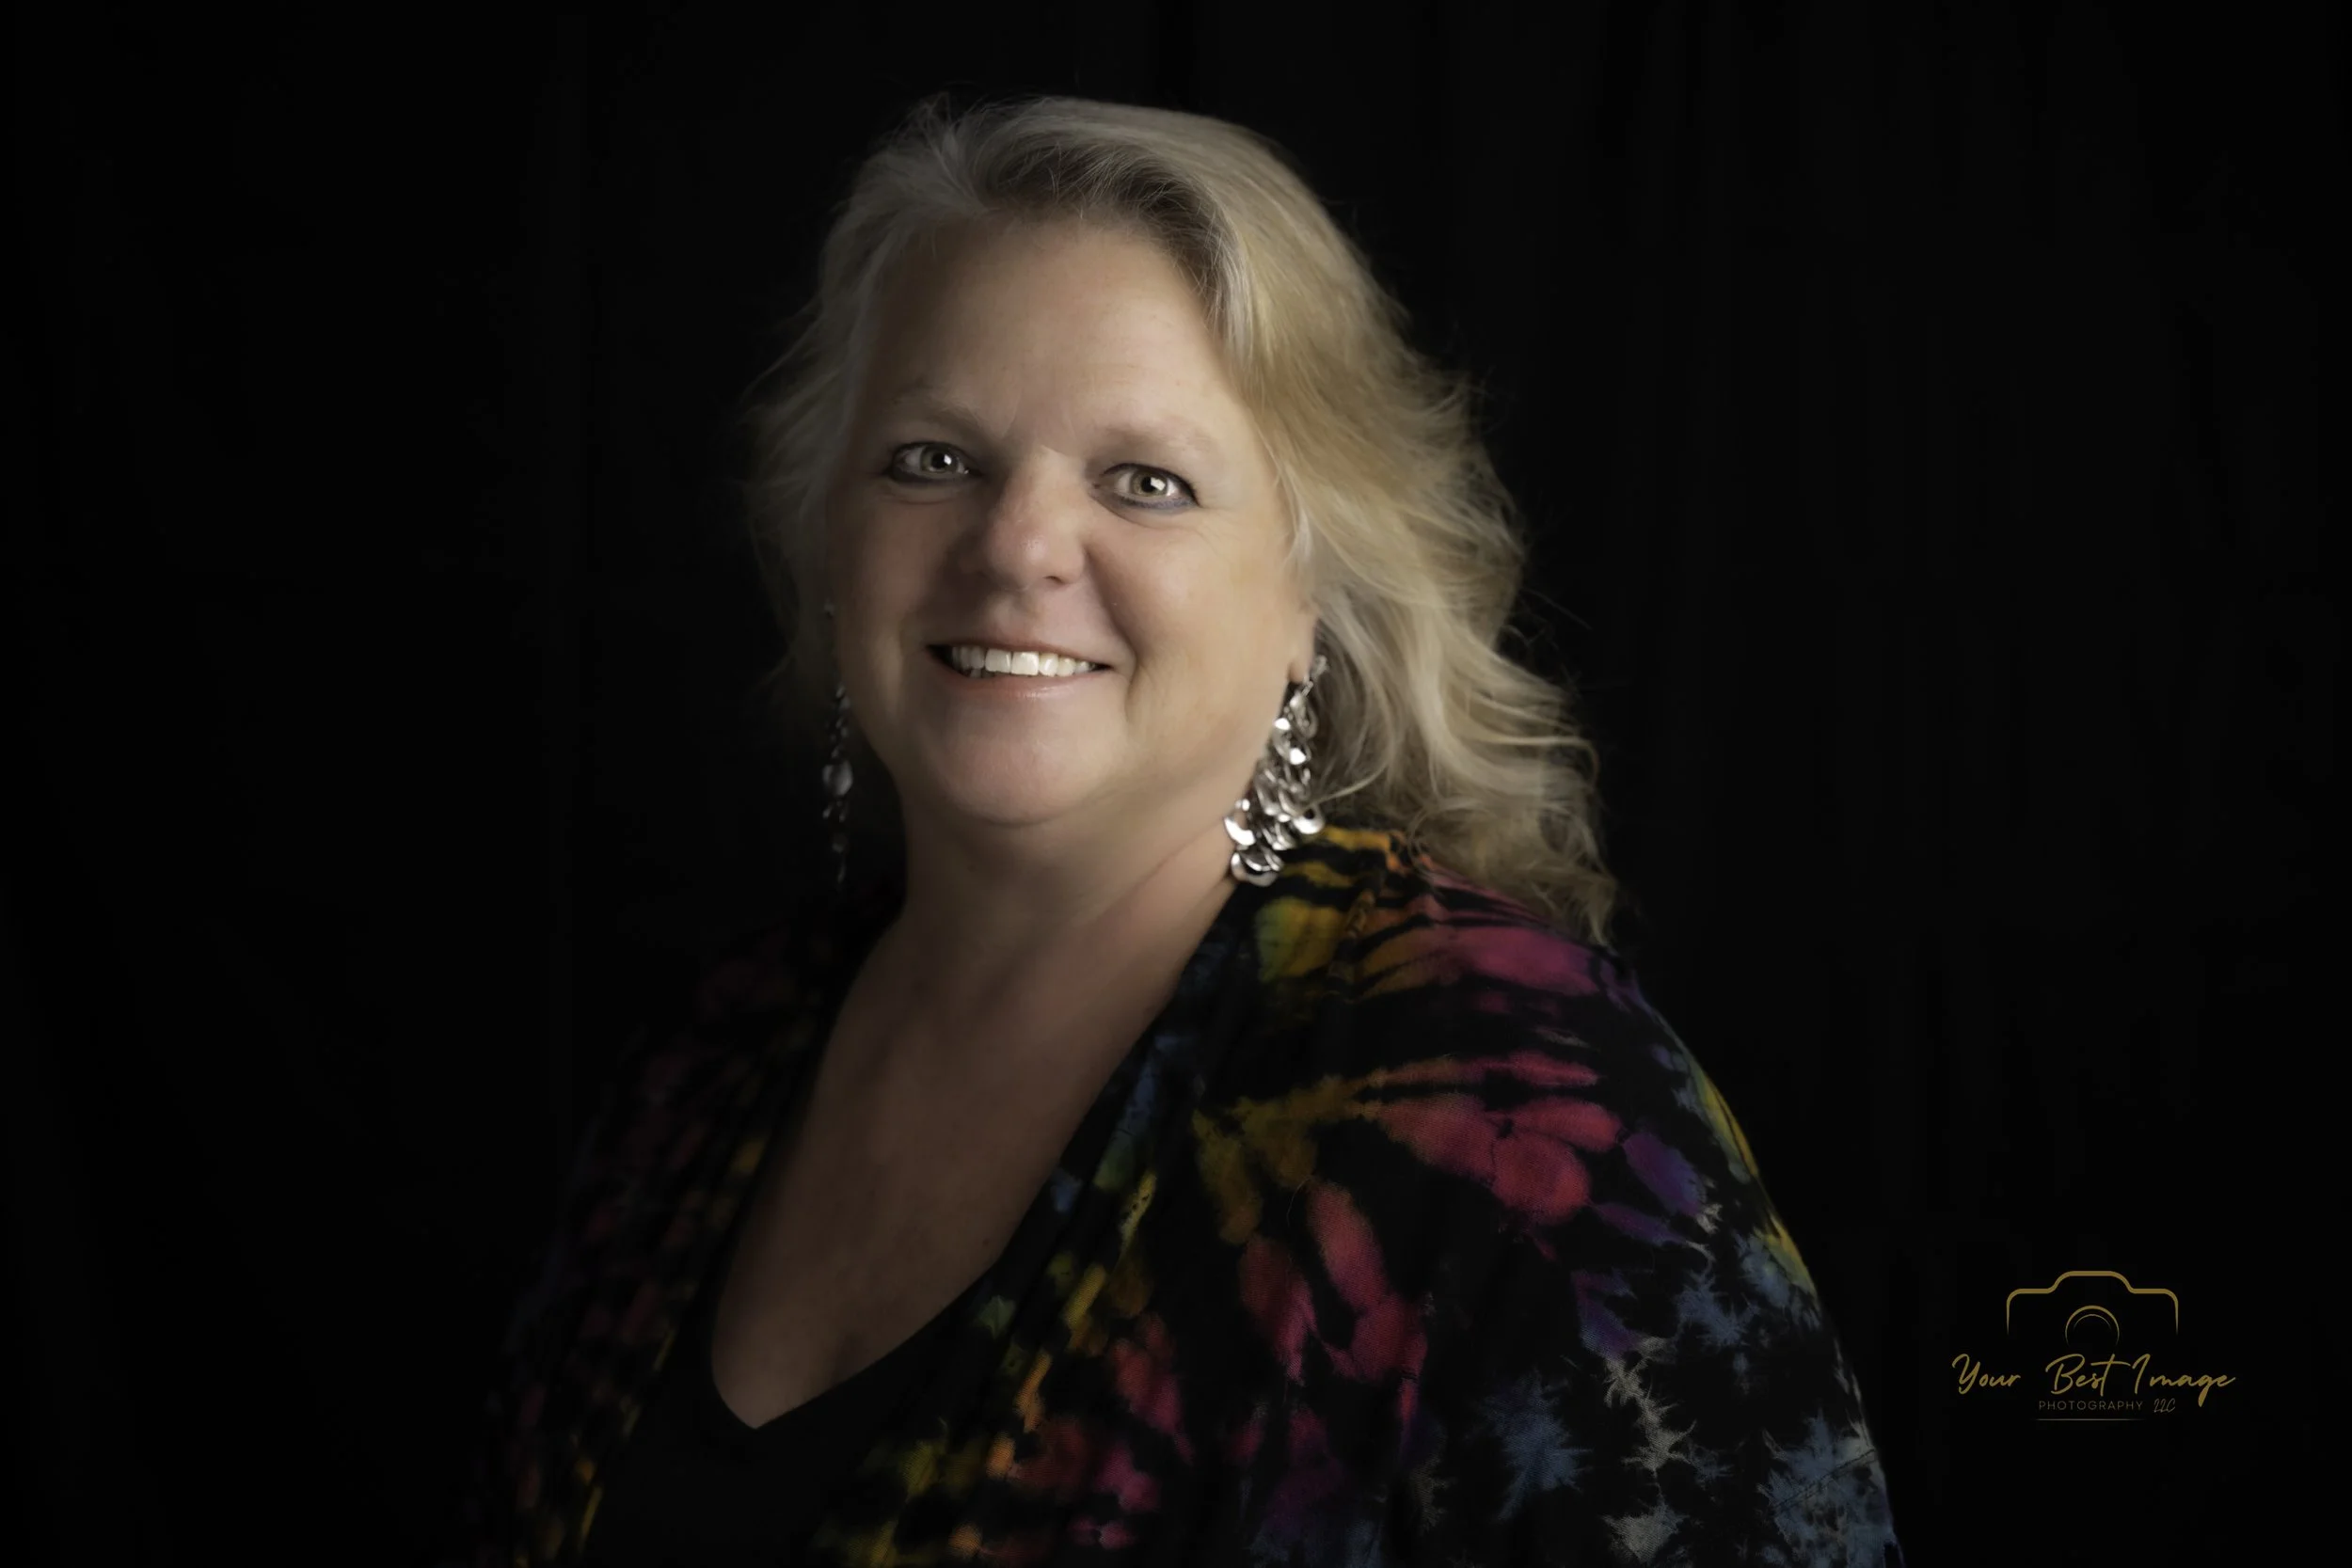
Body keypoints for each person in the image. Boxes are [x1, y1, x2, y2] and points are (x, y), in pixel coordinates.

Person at [464, 92, 1905, 1566]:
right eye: (930, 459)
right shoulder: (709, 1072)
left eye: (1145, 482)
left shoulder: (1507, 1116)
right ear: (831, 539)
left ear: (1312, 605)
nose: (1017, 544)